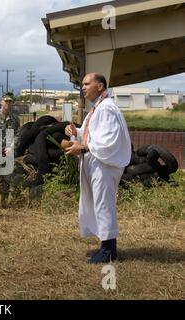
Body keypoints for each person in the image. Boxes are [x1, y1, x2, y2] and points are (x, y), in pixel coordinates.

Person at [64, 73, 131, 264]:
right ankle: (105, 246)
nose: (83, 87)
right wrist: (74, 131)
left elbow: (109, 140)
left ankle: (109, 250)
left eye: (87, 84)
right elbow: (92, 134)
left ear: (100, 86)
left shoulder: (107, 109)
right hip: (96, 163)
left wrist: (83, 146)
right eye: (82, 84)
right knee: (98, 204)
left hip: (104, 165)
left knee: (104, 204)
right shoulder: (97, 109)